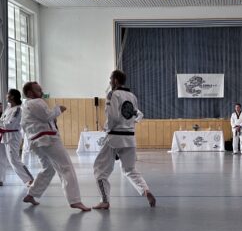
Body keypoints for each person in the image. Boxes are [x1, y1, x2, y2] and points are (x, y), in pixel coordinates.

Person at [21, 81, 91, 211]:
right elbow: (47, 116)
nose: (41, 91)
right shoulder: (36, 102)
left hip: (36, 142)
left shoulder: (26, 106)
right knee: (66, 167)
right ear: (30, 93)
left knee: (48, 168)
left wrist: (52, 118)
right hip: (48, 139)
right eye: (38, 89)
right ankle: (75, 200)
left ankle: (31, 194)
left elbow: (40, 121)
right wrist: (59, 109)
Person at [93, 70, 156, 209]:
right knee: (130, 169)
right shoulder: (132, 96)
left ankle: (105, 201)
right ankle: (146, 190)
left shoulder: (112, 94)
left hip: (115, 136)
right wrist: (130, 124)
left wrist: (107, 128)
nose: (110, 82)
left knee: (99, 169)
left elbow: (113, 117)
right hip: (130, 136)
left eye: (111, 79)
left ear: (115, 80)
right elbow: (137, 115)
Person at [0, 89, 34, 186]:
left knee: (14, 159)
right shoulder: (8, 108)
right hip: (3, 136)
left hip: (12, 136)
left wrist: (2, 125)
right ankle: (0, 179)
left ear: (12, 96)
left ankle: (29, 179)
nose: (6, 96)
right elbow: (2, 120)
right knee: (1, 158)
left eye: (8, 94)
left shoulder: (18, 109)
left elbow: (9, 124)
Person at [0, 101, 6, 186]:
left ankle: (1, 179)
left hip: (2, 139)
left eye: (1, 107)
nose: (0, 108)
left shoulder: (4, 115)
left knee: (1, 159)